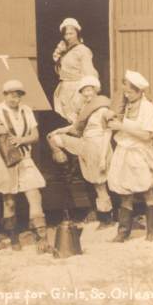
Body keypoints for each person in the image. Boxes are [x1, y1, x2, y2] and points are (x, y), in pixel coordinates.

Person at [0, 80, 51, 253]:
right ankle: (13, 239)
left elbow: (35, 135)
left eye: (18, 95)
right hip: (3, 159)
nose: (15, 99)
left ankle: (42, 238)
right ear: (4, 95)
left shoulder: (26, 110)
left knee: (35, 194)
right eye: (11, 95)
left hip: (24, 157)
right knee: (9, 200)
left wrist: (22, 140)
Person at [48, 76, 114, 229]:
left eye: (90, 90)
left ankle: (106, 219)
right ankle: (64, 166)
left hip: (98, 146)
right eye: (84, 91)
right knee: (56, 138)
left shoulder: (102, 109)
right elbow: (76, 127)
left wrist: (103, 157)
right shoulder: (85, 109)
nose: (87, 93)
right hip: (86, 144)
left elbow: (107, 133)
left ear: (96, 90)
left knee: (99, 184)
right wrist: (59, 130)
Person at [106, 70, 153, 242]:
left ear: (139, 91)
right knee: (125, 192)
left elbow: (147, 135)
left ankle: (151, 232)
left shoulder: (148, 109)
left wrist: (122, 126)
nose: (126, 95)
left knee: (147, 190)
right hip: (124, 151)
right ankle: (123, 232)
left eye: (130, 92)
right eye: (125, 92)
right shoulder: (127, 105)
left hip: (139, 153)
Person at [52, 18, 99, 123]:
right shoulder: (65, 50)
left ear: (77, 33)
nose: (68, 37)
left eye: (71, 33)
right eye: (66, 34)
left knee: (78, 118)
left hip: (77, 90)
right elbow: (60, 71)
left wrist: (88, 91)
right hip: (65, 89)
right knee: (68, 120)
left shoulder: (83, 50)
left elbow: (89, 72)